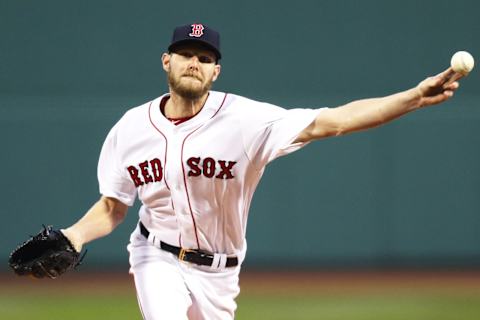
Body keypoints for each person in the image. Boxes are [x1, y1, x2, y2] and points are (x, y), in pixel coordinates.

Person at [60, 23, 462, 319]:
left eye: (205, 58)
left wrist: (412, 98)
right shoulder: (130, 128)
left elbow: (333, 121)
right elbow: (114, 206)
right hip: (155, 255)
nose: (194, 63)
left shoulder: (246, 120)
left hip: (221, 272)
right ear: (167, 60)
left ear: (216, 72)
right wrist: (74, 235)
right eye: (185, 54)